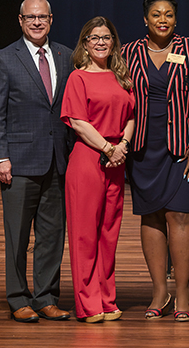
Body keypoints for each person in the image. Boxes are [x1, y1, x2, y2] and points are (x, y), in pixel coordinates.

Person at [120, 0, 189, 322]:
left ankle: (183, 292)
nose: (162, 20)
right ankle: (160, 291)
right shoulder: (129, 52)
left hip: (182, 148)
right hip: (144, 147)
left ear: (176, 19)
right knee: (151, 216)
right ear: (145, 19)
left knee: (180, 216)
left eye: (169, 14)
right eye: (156, 14)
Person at [0, 0, 75, 322]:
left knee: (52, 235)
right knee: (18, 235)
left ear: (51, 19)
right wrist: (0, 157)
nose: (37, 23)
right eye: (30, 17)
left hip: (57, 161)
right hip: (19, 162)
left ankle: (46, 297)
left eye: (42, 17)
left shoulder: (66, 56)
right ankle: (18, 298)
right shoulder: (4, 59)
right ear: (20, 20)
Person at [61, 17, 135, 322]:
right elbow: (78, 122)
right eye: (94, 38)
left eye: (106, 37)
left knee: (109, 233)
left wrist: (123, 146)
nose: (101, 42)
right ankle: (88, 303)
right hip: (89, 160)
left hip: (116, 161)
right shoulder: (78, 78)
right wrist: (107, 148)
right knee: (85, 236)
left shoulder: (121, 77)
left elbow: (131, 114)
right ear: (85, 44)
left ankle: (107, 297)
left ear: (113, 42)